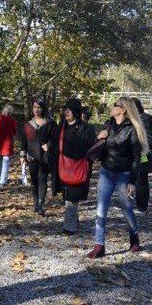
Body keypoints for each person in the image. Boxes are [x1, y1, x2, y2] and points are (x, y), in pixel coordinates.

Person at [88, 97, 149, 258]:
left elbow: (136, 158)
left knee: (126, 207)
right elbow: (100, 146)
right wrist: (100, 137)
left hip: (124, 174)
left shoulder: (132, 129)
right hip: (106, 172)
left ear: (122, 110)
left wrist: (132, 182)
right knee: (101, 208)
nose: (112, 106)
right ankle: (99, 245)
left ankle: (134, 237)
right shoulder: (109, 124)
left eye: (116, 105)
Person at [58, 99, 96, 235]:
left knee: (71, 199)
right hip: (64, 168)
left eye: (69, 109)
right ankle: (74, 220)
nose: (66, 112)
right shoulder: (62, 126)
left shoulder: (86, 129)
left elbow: (93, 149)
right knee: (67, 198)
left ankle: (69, 228)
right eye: (65, 109)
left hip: (79, 168)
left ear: (76, 112)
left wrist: (86, 161)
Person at [19, 99, 57, 215]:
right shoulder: (28, 124)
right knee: (34, 180)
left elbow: (56, 138)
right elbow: (24, 141)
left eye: (39, 107)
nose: (36, 109)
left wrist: (49, 145)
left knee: (43, 179)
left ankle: (41, 203)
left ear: (43, 108)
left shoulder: (50, 123)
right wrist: (22, 155)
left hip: (45, 156)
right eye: (34, 107)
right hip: (31, 156)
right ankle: (36, 203)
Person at [132, 98, 152, 211]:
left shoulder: (144, 119)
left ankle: (142, 206)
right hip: (143, 153)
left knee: (141, 178)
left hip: (142, 153)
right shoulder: (147, 118)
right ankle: (140, 205)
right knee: (140, 178)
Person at [0, 105, 17, 188]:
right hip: (7, 143)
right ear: (11, 112)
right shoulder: (12, 121)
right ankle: (3, 182)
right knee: (5, 162)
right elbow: (14, 132)